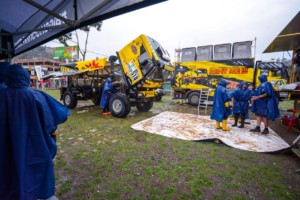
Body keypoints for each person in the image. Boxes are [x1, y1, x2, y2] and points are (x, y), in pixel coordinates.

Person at [0, 64, 70, 200]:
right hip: (35, 148)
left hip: (5, 150)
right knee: (35, 181)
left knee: (9, 179)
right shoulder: (36, 96)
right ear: (25, 76)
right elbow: (52, 122)